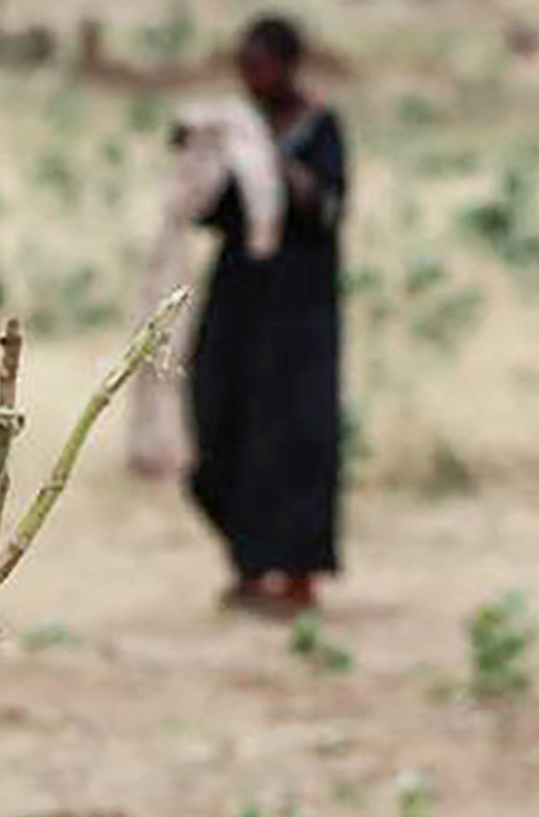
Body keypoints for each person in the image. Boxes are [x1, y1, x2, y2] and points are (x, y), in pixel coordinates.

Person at [187, 13, 346, 616]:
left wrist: (272, 165)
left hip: (301, 311)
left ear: (288, 66)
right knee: (221, 421)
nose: (251, 79)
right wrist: (207, 157)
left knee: (298, 435)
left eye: (261, 66)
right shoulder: (236, 128)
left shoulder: (321, 128)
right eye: (244, 67)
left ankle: (298, 575)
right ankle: (250, 565)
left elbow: (329, 207)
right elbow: (208, 213)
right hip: (239, 302)